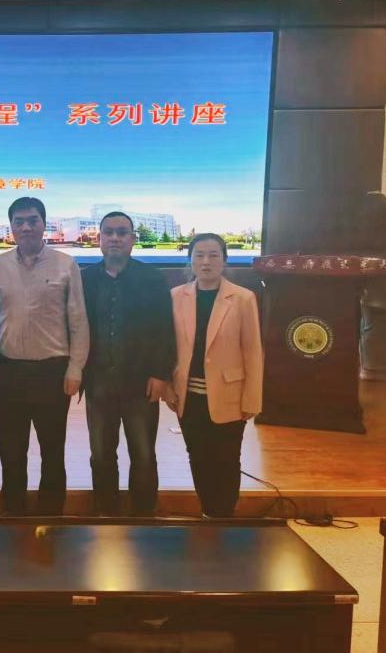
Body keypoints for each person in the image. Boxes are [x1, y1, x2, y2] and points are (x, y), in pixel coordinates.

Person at [0, 197, 89, 515]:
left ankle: (52, 515)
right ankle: (12, 512)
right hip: (9, 370)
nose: (26, 227)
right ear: (11, 227)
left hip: (52, 371)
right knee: (11, 450)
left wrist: (76, 367)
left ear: (44, 224)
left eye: (33, 220)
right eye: (19, 221)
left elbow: (78, 320)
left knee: (52, 450)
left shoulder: (65, 264)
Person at [80, 212, 175, 516]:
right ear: (99, 240)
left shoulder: (152, 279)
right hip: (98, 383)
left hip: (141, 385)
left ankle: (144, 516)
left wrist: (160, 374)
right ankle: (105, 512)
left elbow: (165, 330)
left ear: (133, 239)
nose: (115, 238)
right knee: (101, 455)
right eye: (108, 232)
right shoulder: (85, 279)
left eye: (122, 232)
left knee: (143, 455)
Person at [166, 233, 263, 518]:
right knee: (198, 456)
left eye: (213, 255)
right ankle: (209, 512)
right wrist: (170, 387)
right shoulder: (176, 296)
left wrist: (252, 398)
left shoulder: (243, 298)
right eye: (199, 255)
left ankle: (224, 515)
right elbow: (168, 347)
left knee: (227, 459)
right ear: (190, 260)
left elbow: (252, 351)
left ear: (224, 260)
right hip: (188, 395)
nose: (206, 262)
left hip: (230, 394)